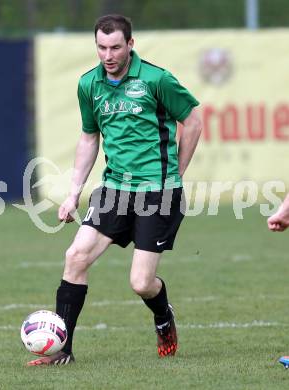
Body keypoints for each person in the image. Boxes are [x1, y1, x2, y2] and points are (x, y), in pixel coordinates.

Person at [28, 14, 201, 366]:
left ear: (130, 45)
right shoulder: (88, 84)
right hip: (114, 189)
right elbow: (89, 137)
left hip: (158, 192)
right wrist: (73, 192)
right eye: (102, 47)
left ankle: (163, 315)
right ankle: (63, 351)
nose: (108, 55)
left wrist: (176, 175)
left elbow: (194, 120)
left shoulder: (157, 79)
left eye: (116, 47)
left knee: (141, 282)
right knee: (75, 257)